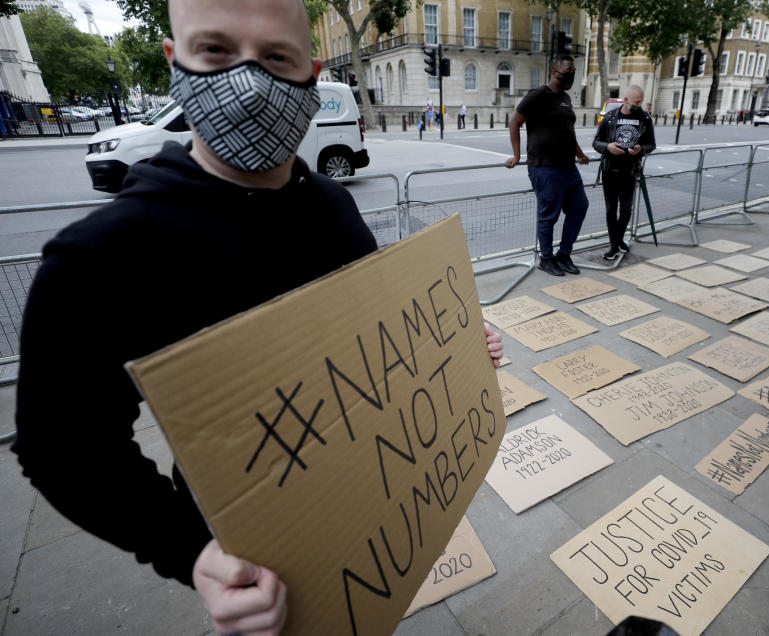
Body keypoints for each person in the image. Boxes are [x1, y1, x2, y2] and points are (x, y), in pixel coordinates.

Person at [11, 1, 503, 634]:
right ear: (175, 62)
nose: (248, 80)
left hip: (370, 517)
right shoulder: (101, 256)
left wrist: (456, 348)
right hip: (257, 563)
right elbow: (63, 447)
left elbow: (377, 333)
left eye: (276, 58)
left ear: (311, 74)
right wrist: (192, 553)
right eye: (216, 51)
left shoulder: (332, 208)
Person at [505, 55, 590, 277]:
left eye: (572, 72)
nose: (569, 76)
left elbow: (568, 132)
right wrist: (516, 155)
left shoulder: (565, 98)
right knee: (549, 216)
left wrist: (581, 154)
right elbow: (514, 122)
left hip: (569, 167)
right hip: (544, 167)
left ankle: (564, 254)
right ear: (554, 72)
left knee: (580, 207)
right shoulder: (537, 96)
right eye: (565, 73)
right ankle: (547, 258)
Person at [592, 85, 656, 260]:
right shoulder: (611, 117)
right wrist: (608, 147)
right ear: (626, 100)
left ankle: (617, 240)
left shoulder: (644, 118)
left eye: (640, 102)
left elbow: (652, 144)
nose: (639, 105)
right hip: (609, 170)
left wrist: (641, 149)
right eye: (636, 102)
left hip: (630, 171)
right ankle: (615, 246)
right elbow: (596, 142)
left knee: (626, 209)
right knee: (611, 210)